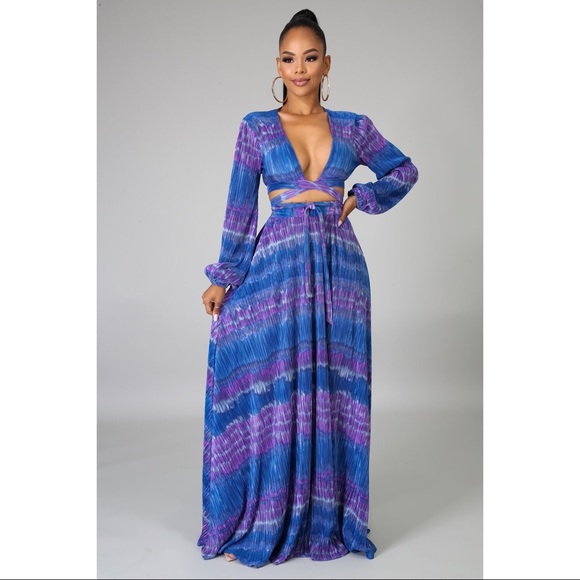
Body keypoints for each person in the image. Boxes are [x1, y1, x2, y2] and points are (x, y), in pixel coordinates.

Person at [197, 8, 418, 568]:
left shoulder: (353, 126)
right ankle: (264, 516)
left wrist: (361, 198)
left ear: (327, 64)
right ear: (278, 65)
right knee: (273, 383)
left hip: (340, 271)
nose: (299, 69)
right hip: (277, 268)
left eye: (310, 58)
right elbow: (239, 208)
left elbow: (403, 170)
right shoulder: (256, 127)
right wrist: (224, 277)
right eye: (289, 59)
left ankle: (327, 519)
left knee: (333, 391)